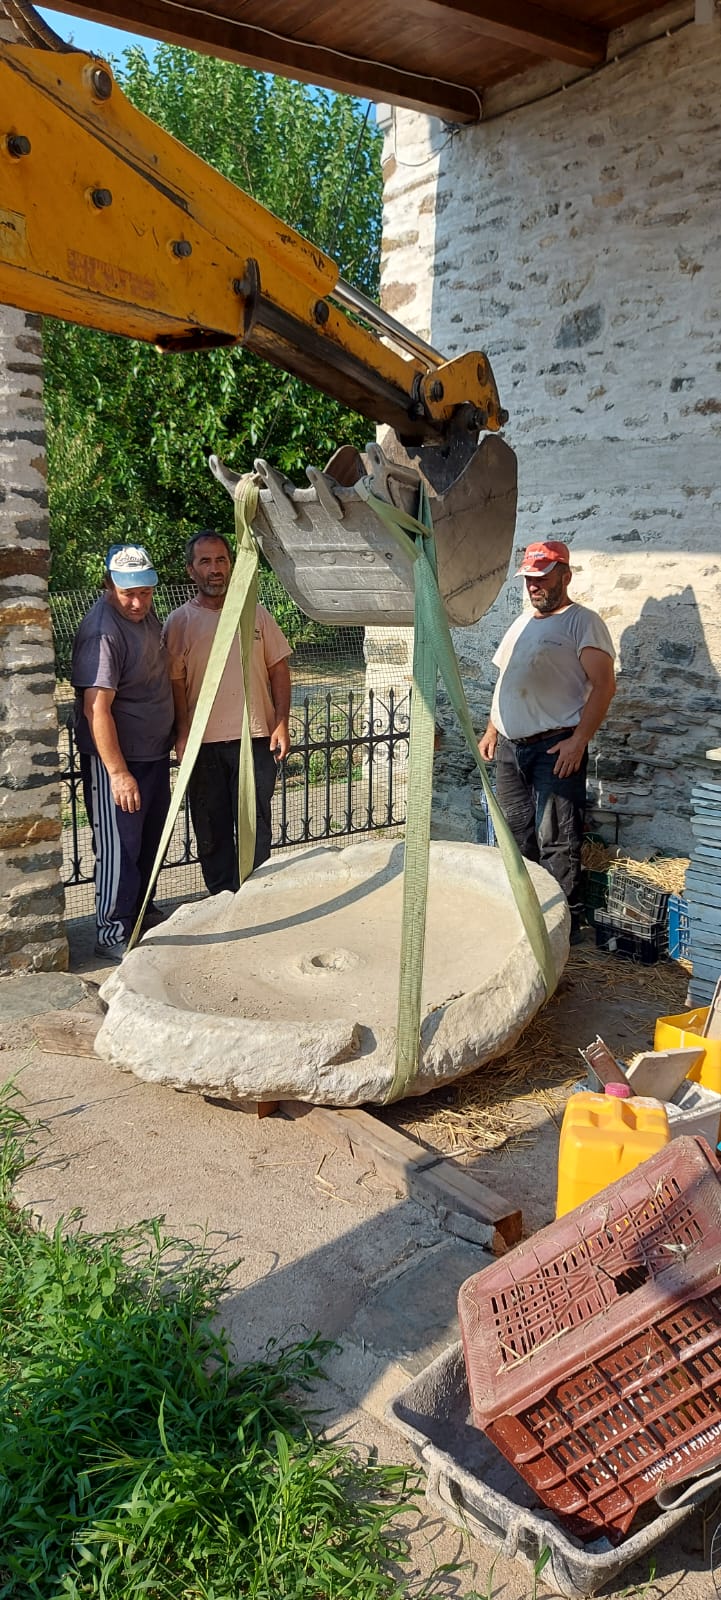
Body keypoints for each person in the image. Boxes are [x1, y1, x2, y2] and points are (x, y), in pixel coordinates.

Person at [478, 539, 616, 938]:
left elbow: (604, 686)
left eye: (541, 577)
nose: (533, 586)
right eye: (528, 579)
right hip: (510, 747)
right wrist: (492, 729)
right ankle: (525, 918)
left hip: (554, 748)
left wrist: (579, 740)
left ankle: (561, 929)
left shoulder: (582, 622)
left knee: (556, 838)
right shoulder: (521, 622)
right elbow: (506, 679)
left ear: (565, 576)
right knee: (515, 833)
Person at [162, 530, 292, 894]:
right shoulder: (179, 623)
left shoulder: (256, 614)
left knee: (255, 827)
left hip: (255, 739)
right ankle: (220, 901)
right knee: (211, 829)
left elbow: (279, 669)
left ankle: (255, 898)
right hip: (203, 745)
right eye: (205, 561)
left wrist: (281, 722)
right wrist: (183, 734)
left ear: (231, 565)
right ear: (191, 570)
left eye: (221, 560)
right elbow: (175, 684)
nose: (215, 569)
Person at [71, 544, 175, 962]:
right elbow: (95, 708)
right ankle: (112, 930)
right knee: (120, 845)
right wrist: (117, 773)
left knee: (149, 839)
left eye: (145, 592)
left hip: (152, 752)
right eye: (128, 593)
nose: (137, 602)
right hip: (119, 761)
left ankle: (140, 911)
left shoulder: (144, 614)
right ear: (108, 586)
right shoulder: (102, 631)